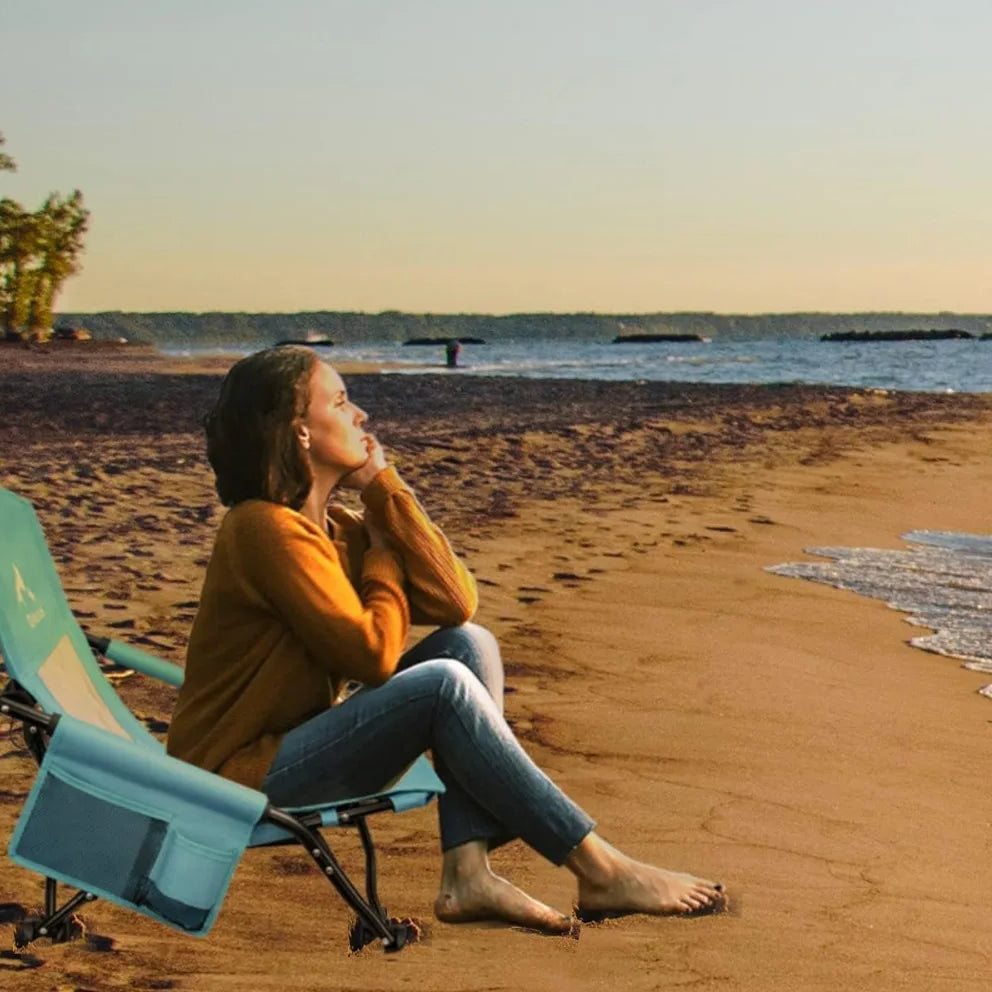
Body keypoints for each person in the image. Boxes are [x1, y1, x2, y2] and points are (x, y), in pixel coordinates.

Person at [167, 346, 726, 935]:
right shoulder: (263, 529)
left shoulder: (337, 529)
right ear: (299, 431)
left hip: (290, 750)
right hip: (229, 779)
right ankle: (600, 867)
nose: (361, 416)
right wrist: (384, 560)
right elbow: (374, 658)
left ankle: (467, 871)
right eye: (340, 401)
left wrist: (384, 489)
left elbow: (455, 603)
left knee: (468, 644)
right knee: (442, 684)